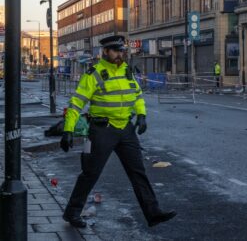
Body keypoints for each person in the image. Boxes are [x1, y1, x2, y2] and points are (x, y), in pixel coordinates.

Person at [60, 35, 176, 228]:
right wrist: (68, 129)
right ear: (105, 51)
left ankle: (153, 213)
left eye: (121, 50)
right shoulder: (94, 74)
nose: (119, 54)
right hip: (102, 130)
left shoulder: (127, 71)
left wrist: (141, 115)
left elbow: (137, 95)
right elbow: (77, 103)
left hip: (125, 129)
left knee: (138, 172)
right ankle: (72, 213)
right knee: (90, 173)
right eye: (115, 50)